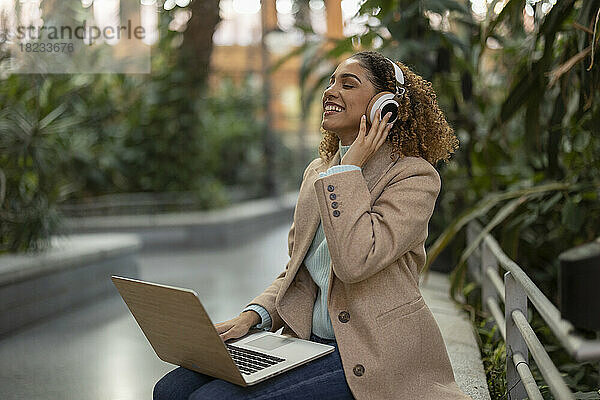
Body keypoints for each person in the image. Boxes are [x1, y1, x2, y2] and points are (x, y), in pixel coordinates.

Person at [153, 50, 471, 400]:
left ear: (386, 107)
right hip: (309, 345)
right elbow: (299, 271)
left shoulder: (413, 177)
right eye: (331, 81)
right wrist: (253, 316)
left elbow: (355, 262)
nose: (330, 91)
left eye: (347, 84)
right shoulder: (317, 172)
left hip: (371, 353)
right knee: (171, 388)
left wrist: (348, 171)